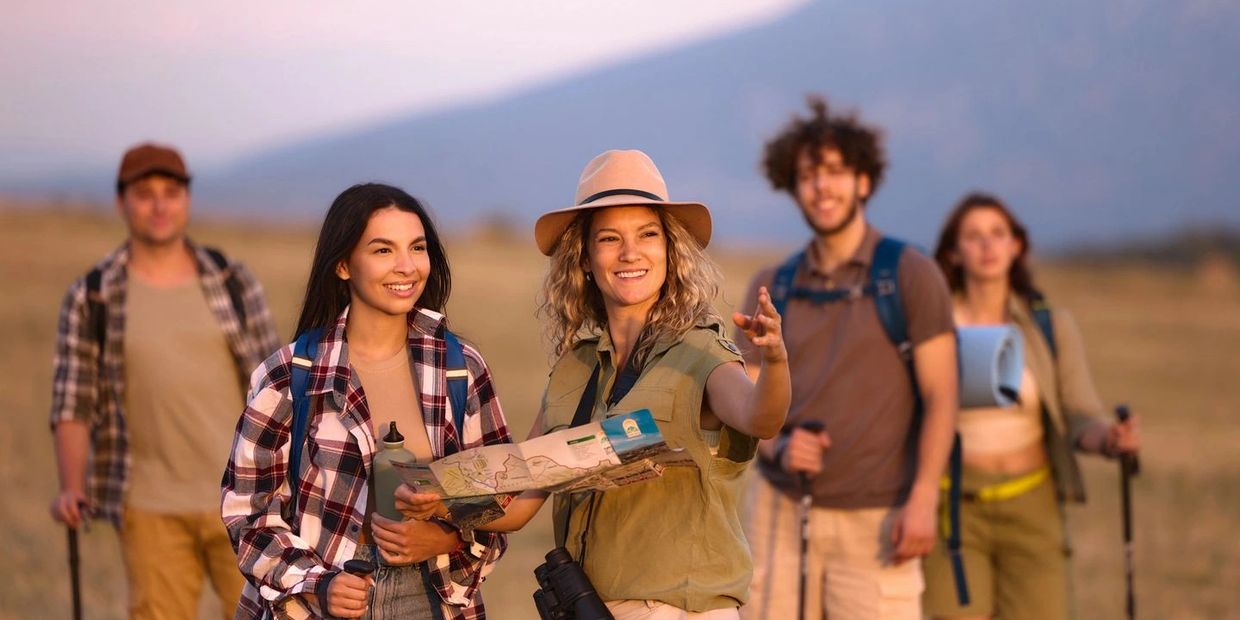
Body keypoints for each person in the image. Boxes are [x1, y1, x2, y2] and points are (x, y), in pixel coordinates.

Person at [402, 149, 791, 619]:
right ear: (585, 258)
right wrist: (436, 505)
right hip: (587, 608)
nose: (630, 253)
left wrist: (774, 360)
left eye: (648, 235)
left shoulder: (702, 354)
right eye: (610, 238)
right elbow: (520, 497)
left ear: (670, 250)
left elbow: (761, 418)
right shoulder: (575, 368)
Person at [220, 183, 511, 619]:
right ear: (342, 265)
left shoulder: (460, 368)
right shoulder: (289, 375)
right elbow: (248, 513)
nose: (407, 267)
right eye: (382, 250)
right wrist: (319, 585)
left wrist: (448, 539)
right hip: (324, 601)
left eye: (417, 247)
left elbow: (500, 494)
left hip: (433, 598)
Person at [739, 97, 959, 620]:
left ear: (864, 180)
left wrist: (925, 498)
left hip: (878, 519)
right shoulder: (772, 285)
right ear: (793, 188)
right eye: (808, 175)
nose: (822, 186)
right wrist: (781, 448)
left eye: (836, 171)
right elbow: (746, 407)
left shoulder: (909, 273)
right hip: (778, 515)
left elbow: (942, 394)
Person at [48, 142, 279, 619]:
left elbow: (277, 392)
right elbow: (74, 400)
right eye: (144, 193)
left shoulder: (231, 280)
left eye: (170, 193)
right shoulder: (94, 295)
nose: (158, 205)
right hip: (148, 505)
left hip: (245, 501)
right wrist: (72, 486)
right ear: (122, 202)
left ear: (186, 200)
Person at [921, 192, 1142, 620]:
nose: (987, 246)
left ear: (1016, 245)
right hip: (954, 507)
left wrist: (1111, 440)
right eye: (973, 236)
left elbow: (1079, 413)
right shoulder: (933, 323)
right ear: (952, 251)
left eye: (998, 234)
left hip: (1032, 504)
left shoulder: (1048, 325)